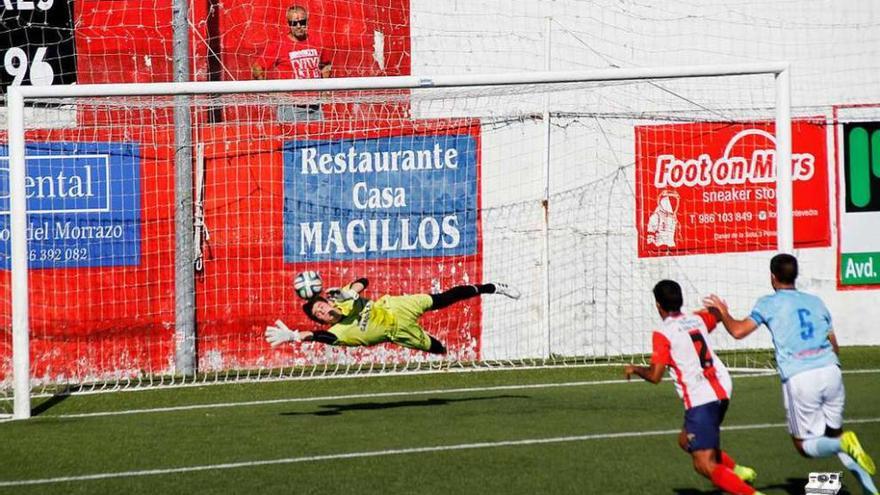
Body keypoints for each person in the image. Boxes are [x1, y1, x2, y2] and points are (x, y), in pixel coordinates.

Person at [704, 253, 877, 495]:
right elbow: (834, 345)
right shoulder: (816, 302)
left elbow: (738, 331)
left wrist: (722, 312)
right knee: (834, 435)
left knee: (804, 445)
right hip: (831, 371)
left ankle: (844, 444)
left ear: (773, 277)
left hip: (801, 377)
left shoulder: (768, 303)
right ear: (795, 275)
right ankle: (870, 490)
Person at [625, 280, 764, 495]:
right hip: (722, 388)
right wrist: (718, 309)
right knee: (685, 440)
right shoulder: (697, 319)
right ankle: (737, 471)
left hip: (701, 397)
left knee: (703, 464)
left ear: (658, 306)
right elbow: (715, 315)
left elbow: (655, 375)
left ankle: (749, 493)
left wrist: (635, 369)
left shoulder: (663, 333)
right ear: (680, 301)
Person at [265, 277, 521, 354]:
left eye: (321, 305)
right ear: (321, 320)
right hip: (396, 332)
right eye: (319, 313)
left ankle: (493, 287)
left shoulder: (341, 299)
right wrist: (294, 335)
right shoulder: (336, 332)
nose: (322, 310)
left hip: (394, 308)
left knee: (442, 299)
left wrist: (352, 294)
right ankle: (453, 361)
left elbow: (362, 282)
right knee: (436, 348)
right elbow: (319, 337)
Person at [250, 5, 332, 122]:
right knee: (291, 140)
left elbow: (326, 64)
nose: (299, 26)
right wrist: (270, 92)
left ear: (307, 22)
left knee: (321, 139)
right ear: (289, 24)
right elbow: (257, 67)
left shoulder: (316, 41)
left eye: (302, 22)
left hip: (315, 106)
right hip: (291, 107)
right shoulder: (279, 44)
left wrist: (325, 89)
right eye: (294, 23)